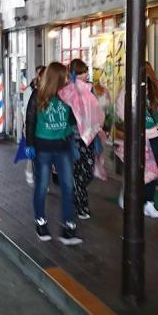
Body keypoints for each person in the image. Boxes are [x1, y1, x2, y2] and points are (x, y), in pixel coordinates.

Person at [25, 62, 81, 245]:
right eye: (64, 75)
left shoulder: (68, 95)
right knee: (41, 185)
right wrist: (30, 144)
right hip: (43, 147)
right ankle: (40, 220)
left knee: (68, 186)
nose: (67, 78)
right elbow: (30, 120)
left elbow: (73, 118)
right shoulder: (38, 94)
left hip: (63, 146)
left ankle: (68, 224)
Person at [115, 61, 158, 219]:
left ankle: (148, 203)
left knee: (153, 172)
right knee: (136, 170)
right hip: (136, 137)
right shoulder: (129, 87)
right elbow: (120, 107)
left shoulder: (157, 89)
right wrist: (132, 122)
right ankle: (129, 196)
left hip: (153, 136)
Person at [60, 59, 105, 220]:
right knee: (80, 171)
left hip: (89, 136)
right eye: (81, 72)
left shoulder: (89, 90)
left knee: (88, 171)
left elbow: (95, 110)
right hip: (74, 138)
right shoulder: (67, 91)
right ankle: (82, 206)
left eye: (85, 71)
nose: (85, 75)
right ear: (74, 74)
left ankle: (75, 197)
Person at [22, 65, 46, 185]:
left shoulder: (50, 90)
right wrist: (25, 125)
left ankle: (41, 179)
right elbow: (27, 110)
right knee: (33, 153)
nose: (39, 76)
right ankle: (30, 170)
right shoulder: (31, 90)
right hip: (32, 125)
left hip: (43, 131)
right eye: (38, 73)